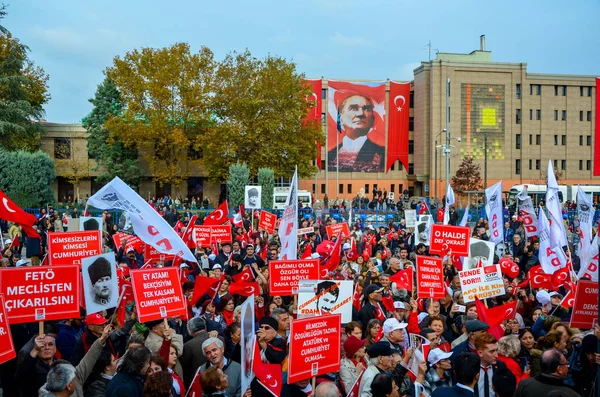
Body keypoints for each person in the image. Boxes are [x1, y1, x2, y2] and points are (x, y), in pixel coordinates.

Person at [327, 93, 385, 172]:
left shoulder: (382, 153)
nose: (360, 114)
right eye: (353, 108)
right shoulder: (329, 154)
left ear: (372, 119)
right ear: (340, 118)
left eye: (367, 109)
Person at [514, 349, 581, 397]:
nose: (567, 366)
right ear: (559, 369)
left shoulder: (524, 384)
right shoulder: (570, 394)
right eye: (566, 363)